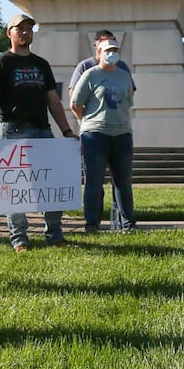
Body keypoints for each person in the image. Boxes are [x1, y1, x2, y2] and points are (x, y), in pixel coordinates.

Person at [0, 13, 77, 252]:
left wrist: (66, 130)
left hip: (42, 130)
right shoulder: (0, 63)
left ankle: (54, 234)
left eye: (29, 28)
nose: (25, 32)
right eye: (19, 28)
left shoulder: (42, 64)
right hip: (12, 130)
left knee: (52, 182)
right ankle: (19, 239)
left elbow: (53, 99)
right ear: (9, 33)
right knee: (14, 189)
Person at [71, 37, 138, 233]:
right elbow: (75, 104)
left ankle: (129, 224)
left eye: (115, 49)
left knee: (123, 182)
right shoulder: (90, 75)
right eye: (107, 50)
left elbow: (128, 102)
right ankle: (92, 224)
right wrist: (88, 123)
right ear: (98, 53)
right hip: (95, 136)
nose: (111, 53)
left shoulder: (125, 76)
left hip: (122, 134)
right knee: (94, 181)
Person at [68, 28, 132, 95]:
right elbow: (73, 93)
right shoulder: (84, 66)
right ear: (96, 46)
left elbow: (130, 91)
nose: (108, 48)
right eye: (104, 45)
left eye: (112, 46)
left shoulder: (122, 66)